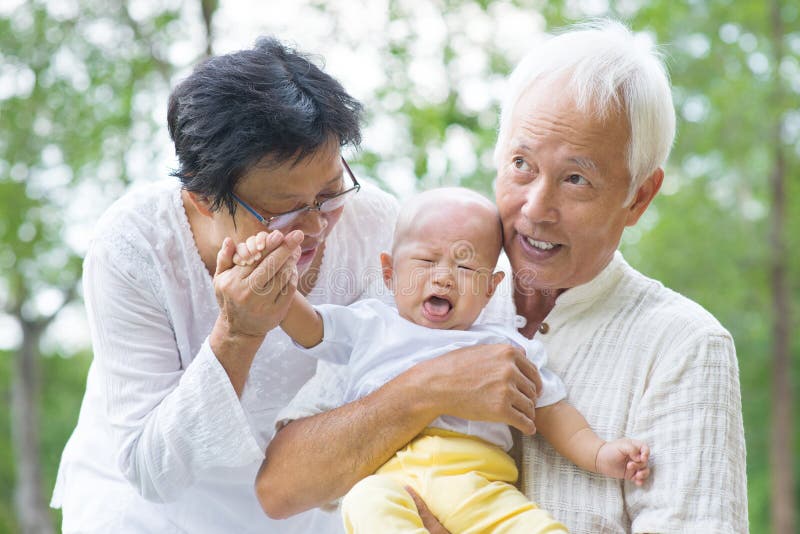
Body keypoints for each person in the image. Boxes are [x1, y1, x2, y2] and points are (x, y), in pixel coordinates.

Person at [257, 20, 748, 533]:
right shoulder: (417, 298)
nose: (537, 208)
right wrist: (426, 389)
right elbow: (281, 489)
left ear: (639, 197)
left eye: (576, 179)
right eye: (521, 163)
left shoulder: (685, 345)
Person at [51, 37, 404, 533]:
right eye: (283, 210)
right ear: (202, 198)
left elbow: (390, 384)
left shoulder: (375, 228)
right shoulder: (133, 248)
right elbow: (152, 471)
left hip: (298, 502)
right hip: (143, 512)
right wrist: (237, 336)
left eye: (329, 192)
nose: (315, 226)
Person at [240, 188, 649, 533]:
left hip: (477, 483)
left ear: (490, 288)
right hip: (390, 481)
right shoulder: (370, 323)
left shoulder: (504, 346)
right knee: (364, 503)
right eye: (425, 261)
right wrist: (268, 276)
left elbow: (554, 411)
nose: (443, 277)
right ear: (389, 271)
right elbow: (309, 327)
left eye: (466, 264)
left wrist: (599, 453)